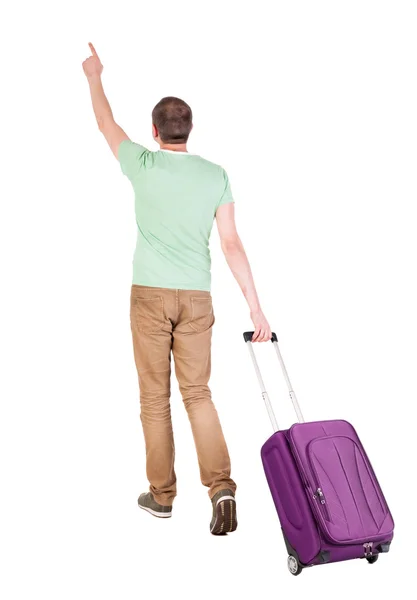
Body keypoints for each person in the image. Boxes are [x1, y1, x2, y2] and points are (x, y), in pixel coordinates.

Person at [82, 43, 271, 535]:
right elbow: (231, 244)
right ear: (189, 130)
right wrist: (257, 311)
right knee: (198, 394)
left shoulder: (142, 164)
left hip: (148, 295)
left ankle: (162, 497)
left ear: (154, 131)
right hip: (197, 299)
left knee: (154, 399)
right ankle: (222, 487)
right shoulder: (216, 175)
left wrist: (94, 76)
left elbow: (105, 124)